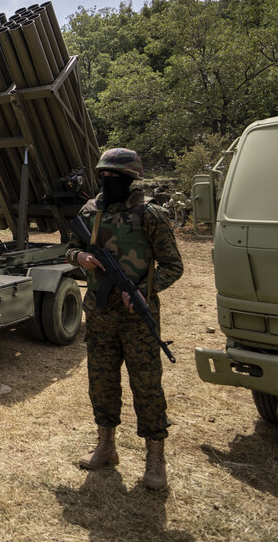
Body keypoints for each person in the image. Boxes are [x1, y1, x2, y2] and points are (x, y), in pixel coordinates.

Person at [66, 148, 184, 491]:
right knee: (101, 384)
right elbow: (69, 248)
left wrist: (145, 291)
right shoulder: (90, 212)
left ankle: (155, 459)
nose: (108, 182)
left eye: (115, 177)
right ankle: (106, 446)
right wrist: (81, 256)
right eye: (104, 176)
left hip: (136, 320)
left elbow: (173, 265)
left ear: (131, 180)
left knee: (146, 387)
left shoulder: (150, 214)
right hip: (100, 316)